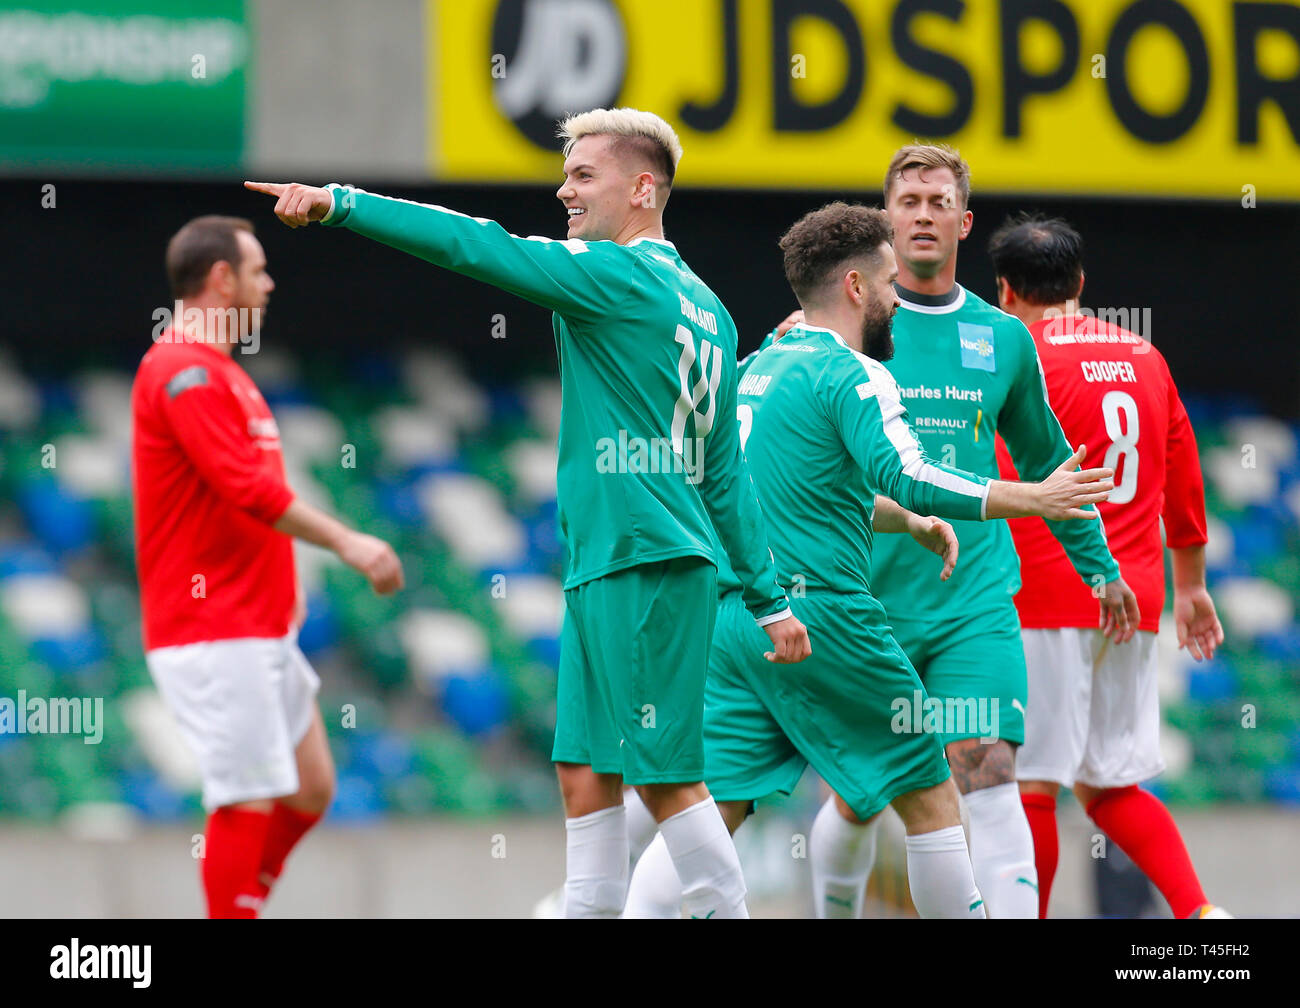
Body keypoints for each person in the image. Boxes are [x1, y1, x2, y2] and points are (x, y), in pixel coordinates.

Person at [245, 107, 812, 920]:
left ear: (643, 187)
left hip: (644, 556)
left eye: (585, 175)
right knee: (585, 775)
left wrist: (340, 202)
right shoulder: (712, 313)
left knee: (663, 776)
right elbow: (722, 475)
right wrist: (767, 598)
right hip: (613, 559)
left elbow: (477, 244)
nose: (565, 189)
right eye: (567, 173)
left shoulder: (617, 276)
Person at [622, 202, 1119, 919]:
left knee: (709, 815)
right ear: (856, 287)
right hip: (825, 618)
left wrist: (905, 523)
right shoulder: (853, 375)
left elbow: (778, 489)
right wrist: (1030, 497)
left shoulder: (755, 369)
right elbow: (909, 471)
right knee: (931, 798)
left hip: (737, 621)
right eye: (887, 283)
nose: (895, 299)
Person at [806, 145, 1141, 919]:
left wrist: (1101, 567)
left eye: (937, 201)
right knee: (860, 797)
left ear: (963, 221)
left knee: (987, 769)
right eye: (908, 200)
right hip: (865, 599)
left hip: (974, 601)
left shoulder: (1004, 340)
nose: (922, 214)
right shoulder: (834, 329)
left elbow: (1050, 462)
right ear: (885, 219)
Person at [132, 215, 404, 918]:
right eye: (257, 269)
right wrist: (347, 541)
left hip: (254, 624)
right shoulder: (183, 370)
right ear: (221, 279)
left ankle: (242, 908)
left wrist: (284, 589)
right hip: (212, 628)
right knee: (247, 794)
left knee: (310, 787)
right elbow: (247, 491)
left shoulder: (221, 373)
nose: (269, 282)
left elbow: (240, 502)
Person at [987, 212, 1228, 919]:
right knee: (1108, 785)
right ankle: (1201, 915)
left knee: (1030, 784)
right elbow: (1185, 474)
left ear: (1004, 291)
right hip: (1134, 599)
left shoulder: (1016, 360)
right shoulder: (1146, 358)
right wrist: (1191, 589)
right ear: (1081, 283)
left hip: (1045, 593)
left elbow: (1003, 480)